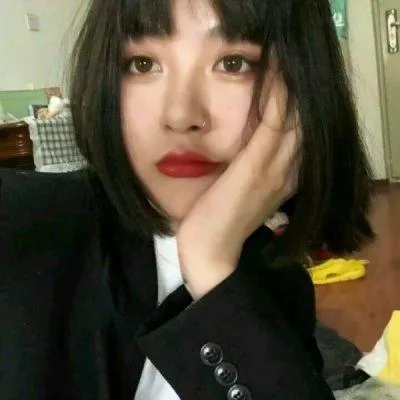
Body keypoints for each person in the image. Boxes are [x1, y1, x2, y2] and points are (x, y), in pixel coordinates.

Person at [0, 0, 374, 398]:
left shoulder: (281, 283)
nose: (180, 115)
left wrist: (210, 266)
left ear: (302, 96)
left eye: (233, 64)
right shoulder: (23, 226)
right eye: (143, 64)